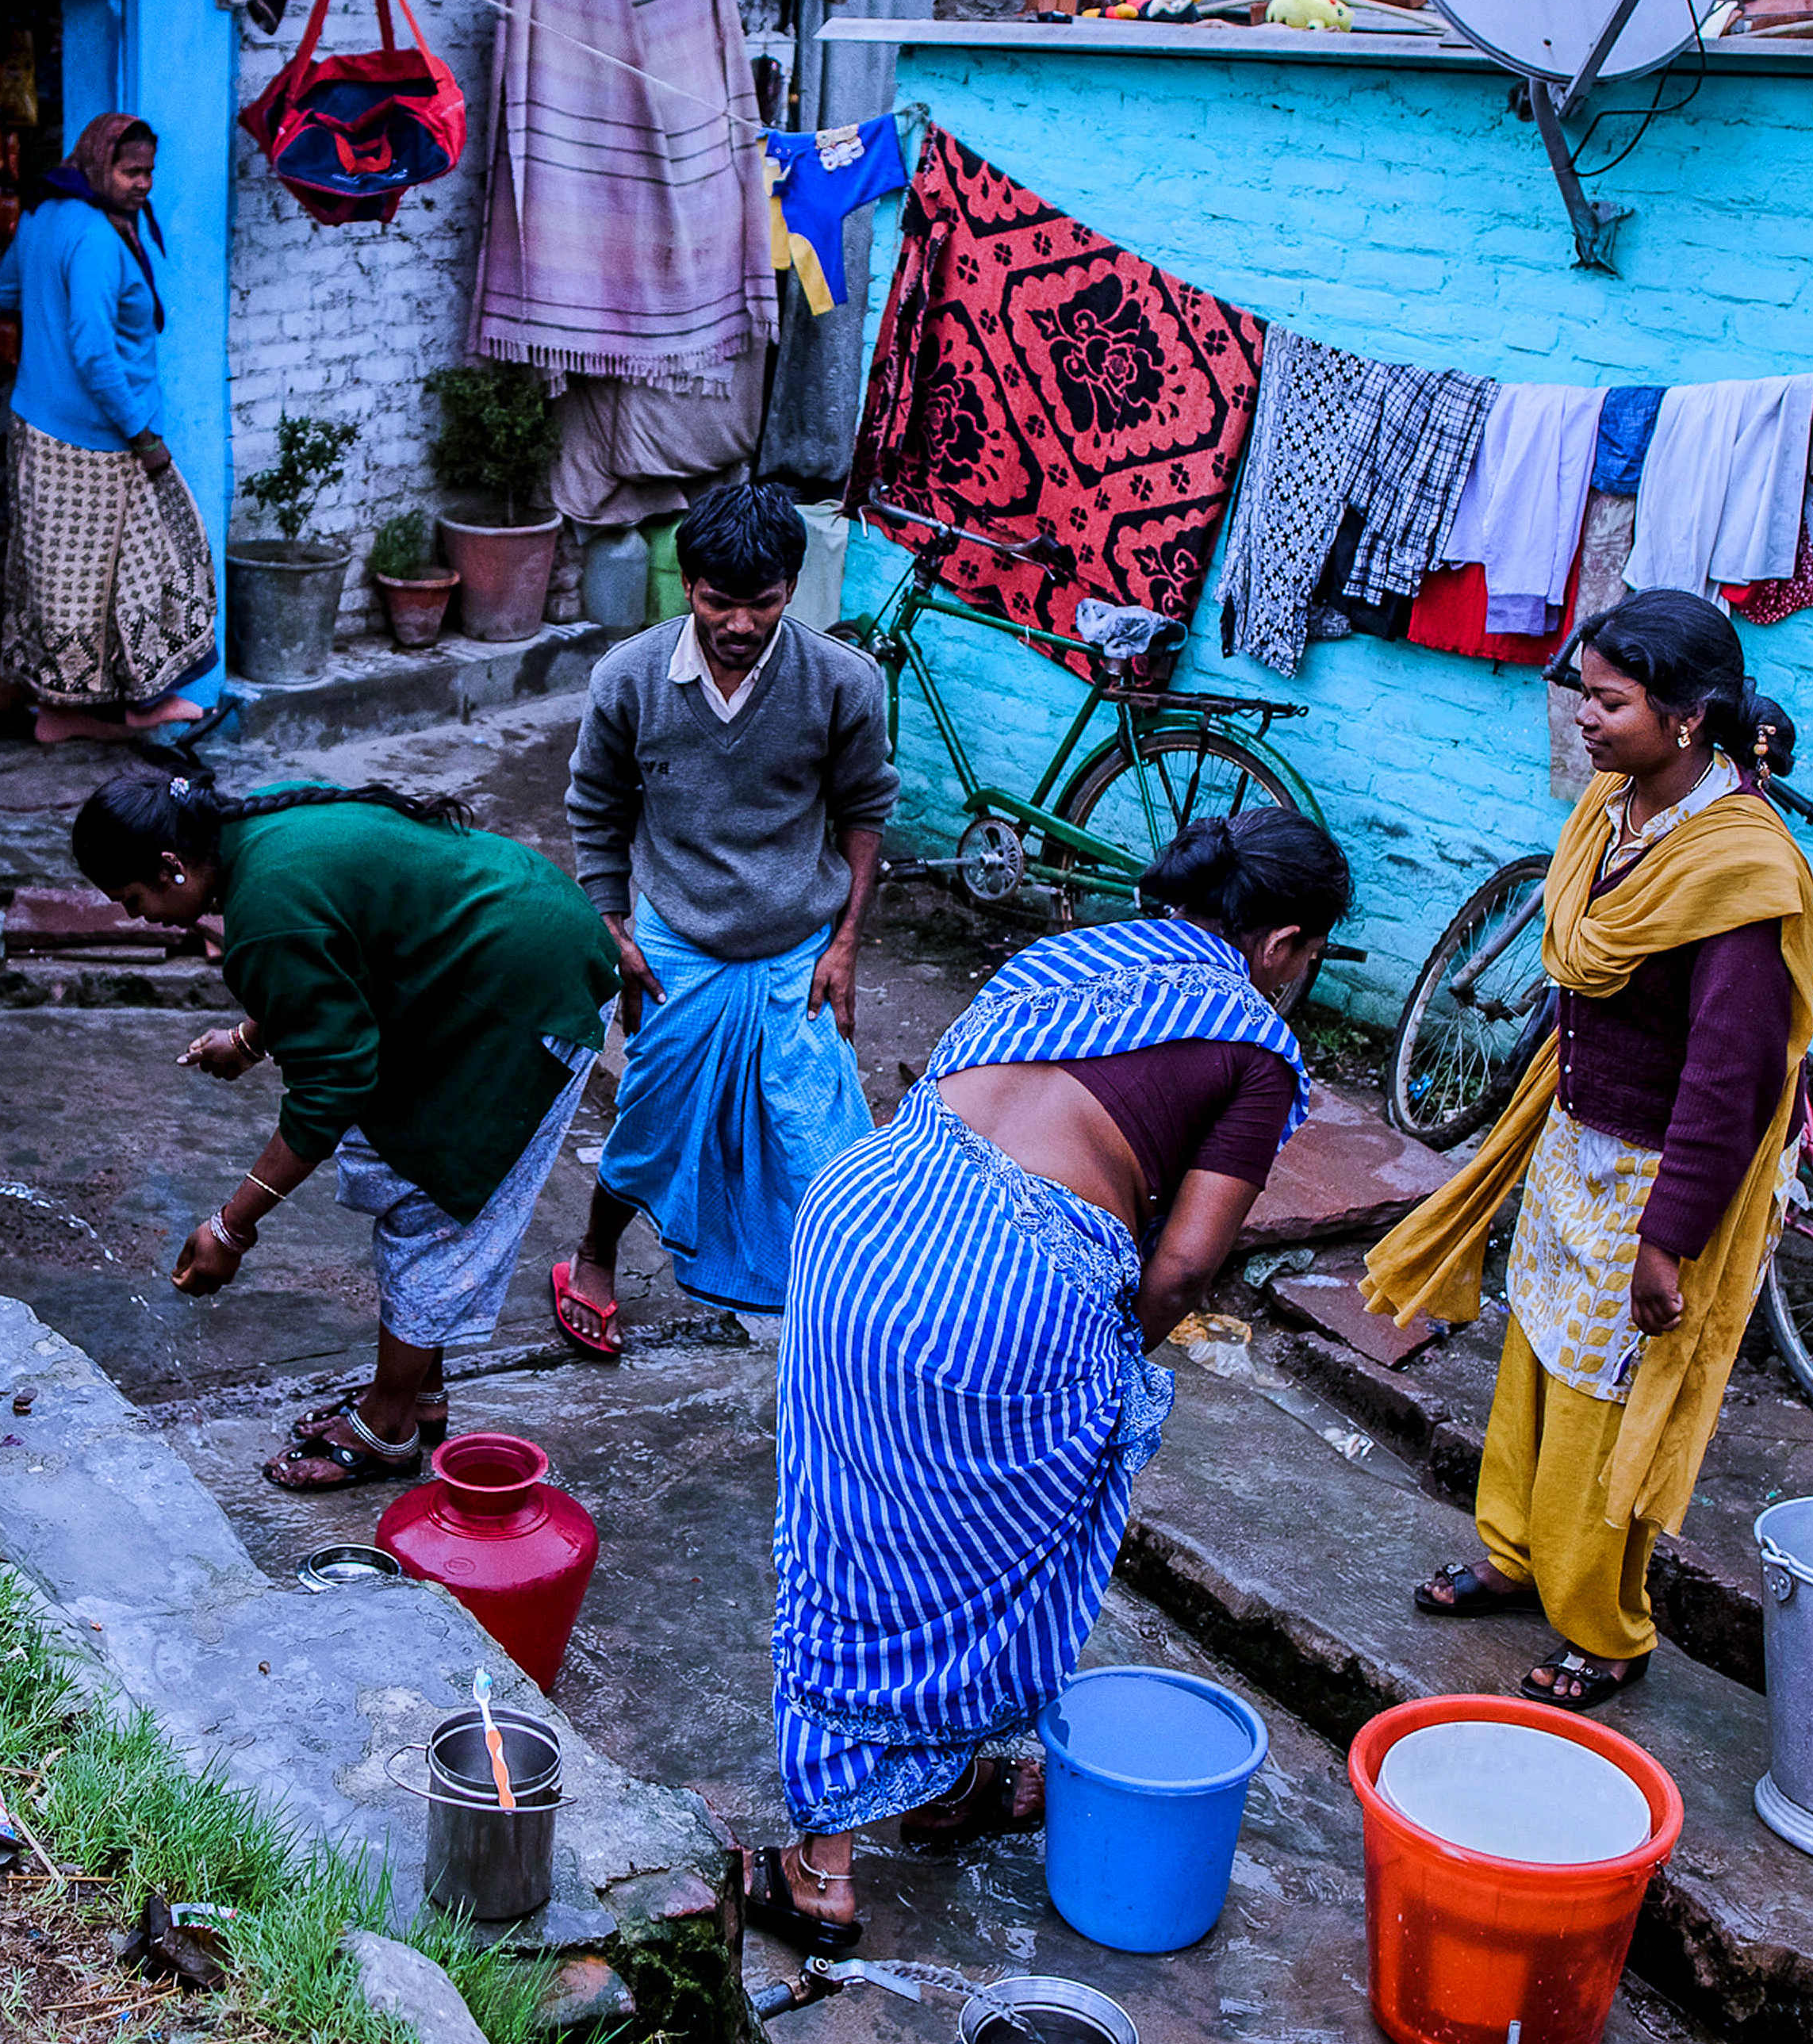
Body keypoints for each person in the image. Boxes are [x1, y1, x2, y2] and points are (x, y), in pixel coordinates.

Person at [748, 806, 1352, 1952]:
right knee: (1003, 1555)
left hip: (863, 1217)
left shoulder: (1065, 953)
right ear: (1281, 945)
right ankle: (879, 1825)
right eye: (1310, 959)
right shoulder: (1256, 1046)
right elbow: (1181, 1266)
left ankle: (861, 1836)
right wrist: (1122, 1351)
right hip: (1005, 1280)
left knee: (848, 1539)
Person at [1363, 589, 1813, 1714]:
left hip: (1653, 1182)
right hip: (1575, 1147)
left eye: (1610, 703)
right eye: (1586, 695)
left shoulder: (1741, 878)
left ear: (1688, 718)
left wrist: (1673, 1241)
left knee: (1605, 1408)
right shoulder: (1613, 813)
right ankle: (1516, 1551)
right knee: (1533, 1365)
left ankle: (1604, 1627)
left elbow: (1731, 1080)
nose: (1585, 720)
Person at [75, 765, 620, 1494]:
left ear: (172, 866)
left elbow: (328, 1094)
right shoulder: (252, 835)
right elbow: (346, 953)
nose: (135, 916)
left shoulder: (263, 910)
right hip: (498, 948)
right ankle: (418, 1396)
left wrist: (231, 1227)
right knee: (406, 1171)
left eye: (131, 897)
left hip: (525, 990)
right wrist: (249, 1040)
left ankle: (387, 1427)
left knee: (432, 1197)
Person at [554, 481, 895, 1340]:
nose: (740, 624)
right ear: (686, 587)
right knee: (651, 1120)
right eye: (719, 601)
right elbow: (595, 807)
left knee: (821, 1142)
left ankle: (830, 1315)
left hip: (798, 947)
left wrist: (846, 944)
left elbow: (863, 813)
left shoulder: (844, 683)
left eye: (763, 603)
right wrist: (613, 931)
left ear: (791, 590)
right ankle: (594, 1255)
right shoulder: (629, 679)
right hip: (676, 943)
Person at [0, 113, 210, 742]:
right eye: (129, 171)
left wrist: (45, 322)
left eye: (148, 172)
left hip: (41, 426)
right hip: (101, 440)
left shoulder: (44, 215)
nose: (142, 184)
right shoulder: (92, 236)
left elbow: (6, 289)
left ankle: (62, 711)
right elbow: (93, 349)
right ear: (96, 166)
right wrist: (142, 435)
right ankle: (137, 702)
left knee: (69, 577)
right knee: (157, 563)